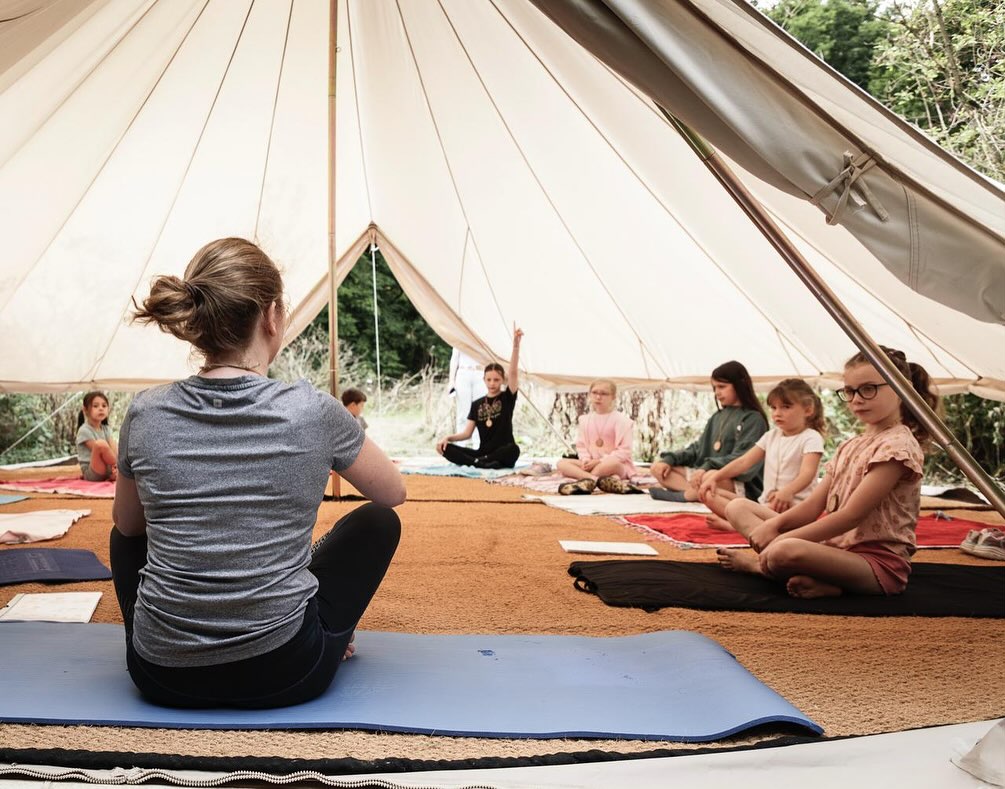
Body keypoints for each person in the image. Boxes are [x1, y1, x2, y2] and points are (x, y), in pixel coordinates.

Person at [110, 237, 406, 709]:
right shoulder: (314, 411)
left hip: (161, 676)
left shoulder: (144, 412)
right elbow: (392, 493)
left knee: (123, 534)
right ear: (272, 315)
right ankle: (324, 632)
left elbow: (128, 528)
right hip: (287, 671)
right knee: (377, 522)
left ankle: (159, 635)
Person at [717, 346, 938, 599]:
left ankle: (762, 567)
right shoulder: (850, 444)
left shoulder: (898, 446)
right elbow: (813, 506)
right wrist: (775, 525)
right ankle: (821, 580)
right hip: (834, 548)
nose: (856, 399)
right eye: (850, 391)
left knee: (784, 550)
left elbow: (851, 516)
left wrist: (779, 539)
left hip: (875, 564)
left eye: (868, 389)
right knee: (737, 508)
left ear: (901, 388)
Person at [697, 379, 824, 529]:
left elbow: (807, 473)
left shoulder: (811, 437)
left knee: (741, 507)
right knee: (708, 492)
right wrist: (715, 477)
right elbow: (743, 462)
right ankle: (747, 522)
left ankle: (735, 525)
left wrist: (788, 491)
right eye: (774, 408)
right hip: (766, 506)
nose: (777, 413)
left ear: (808, 410)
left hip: (795, 509)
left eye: (786, 407)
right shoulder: (771, 436)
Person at [650, 361, 769, 502]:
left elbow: (742, 460)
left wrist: (707, 467)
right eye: (715, 387)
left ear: (739, 385)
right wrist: (669, 460)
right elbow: (698, 449)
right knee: (658, 468)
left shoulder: (753, 419)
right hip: (707, 474)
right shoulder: (717, 417)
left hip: (738, 484)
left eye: (722, 387)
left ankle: (687, 496)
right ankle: (696, 493)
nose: (717, 392)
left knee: (710, 476)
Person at [436, 327, 523, 470]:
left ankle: (479, 461)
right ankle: (481, 462)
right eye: (489, 380)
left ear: (502, 380)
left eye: (496, 380)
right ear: (484, 380)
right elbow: (467, 433)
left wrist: (516, 346)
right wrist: (448, 438)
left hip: (502, 453)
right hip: (483, 453)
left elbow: (513, 373)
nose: (492, 383)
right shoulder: (477, 404)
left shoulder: (507, 398)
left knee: (514, 449)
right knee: (445, 448)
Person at [556, 379, 640, 495]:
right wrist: (585, 460)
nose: (598, 397)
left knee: (610, 466)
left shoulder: (623, 421)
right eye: (595, 393)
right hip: (590, 464)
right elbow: (581, 446)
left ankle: (586, 481)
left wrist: (599, 461)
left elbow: (624, 451)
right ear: (590, 394)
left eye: (604, 393)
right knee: (561, 463)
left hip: (613, 464)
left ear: (613, 397)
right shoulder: (585, 420)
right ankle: (596, 480)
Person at [447, 348, 487, 448]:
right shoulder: (460, 334)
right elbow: (455, 358)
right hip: (463, 373)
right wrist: (451, 380)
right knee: (463, 414)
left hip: (480, 373)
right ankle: (461, 447)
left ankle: (479, 446)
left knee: (480, 412)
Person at [76, 391, 118, 482]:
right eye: (95, 406)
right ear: (85, 410)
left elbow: (113, 451)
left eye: (104, 406)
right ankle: (122, 471)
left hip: (108, 469)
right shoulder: (84, 430)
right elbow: (101, 449)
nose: (101, 409)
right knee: (100, 444)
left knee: (118, 444)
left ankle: (117, 472)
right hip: (93, 472)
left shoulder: (107, 429)